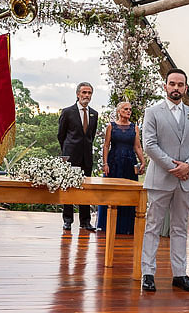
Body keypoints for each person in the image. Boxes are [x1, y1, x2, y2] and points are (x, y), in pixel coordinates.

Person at [139, 69, 189, 294]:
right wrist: (173, 167)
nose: (176, 88)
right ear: (165, 86)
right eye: (172, 84)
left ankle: (180, 274)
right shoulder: (152, 112)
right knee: (153, 226)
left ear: (186, 88)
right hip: (160, 178)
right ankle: (147, 273)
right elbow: (149, 144)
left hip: (187, 178)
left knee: (180, 228)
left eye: (180, 84)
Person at [97, 100, 145, 235]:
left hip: (129, 162)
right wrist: (105, 163)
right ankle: (107, 224)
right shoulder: (111, 126)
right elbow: (106, 145)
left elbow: (137, 146)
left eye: (130, 109)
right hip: (114, 161)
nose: (128, 111)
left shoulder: (134, 127)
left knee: (128, 193)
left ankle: (127, 226)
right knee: (111, 192)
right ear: (119, 111)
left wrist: (143, 161)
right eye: (125, 109)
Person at [57, 82, 99, 232]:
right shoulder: (68, 112)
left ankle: (85, 221)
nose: (87, 96)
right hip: (70, 157)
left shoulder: (94, 114)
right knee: (68, 188)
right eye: (84, 92)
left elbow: (91, 136)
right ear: (77, 94)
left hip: (86, 157)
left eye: (89, 93)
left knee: (85, 189)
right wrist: (67, 152)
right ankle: (67, 220)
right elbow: (61, 135)